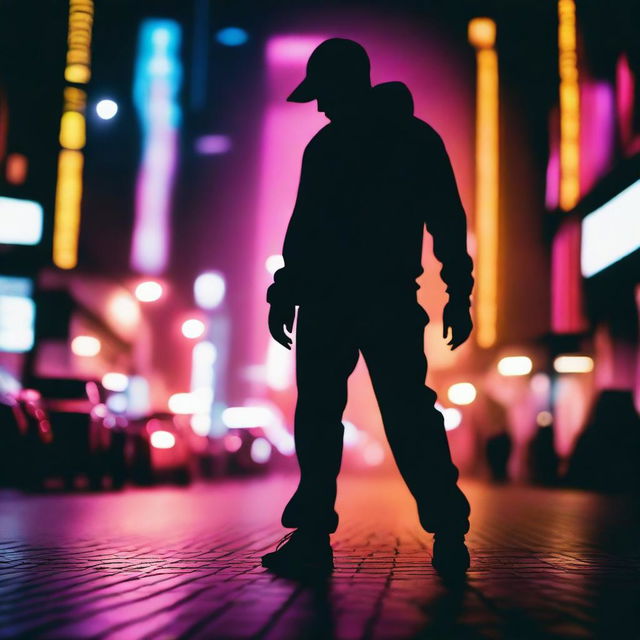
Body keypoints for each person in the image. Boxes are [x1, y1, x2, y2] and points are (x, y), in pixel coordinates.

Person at [261, 38, 474, 579]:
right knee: (408, 414)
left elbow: (304, 230)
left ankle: (312, 537)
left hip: (329, 299)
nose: (318, 106)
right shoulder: (417, 138)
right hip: (390, 297)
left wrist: (286, 290)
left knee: (318, 417)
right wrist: (457, 291)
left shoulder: (327, 147)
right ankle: (448, 530)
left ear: (344, 84)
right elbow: (447, 222)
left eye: (322, 93)